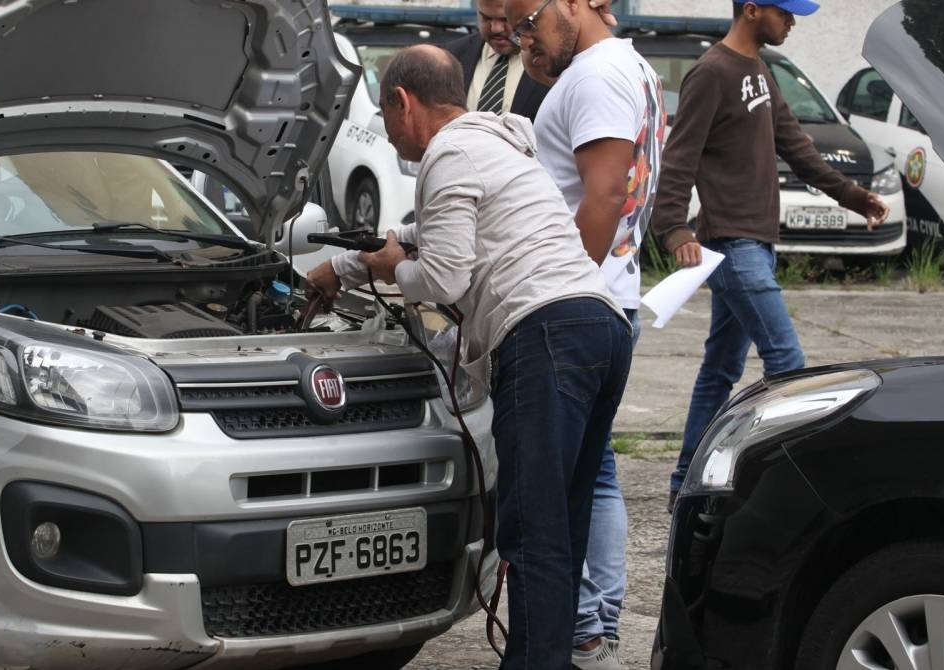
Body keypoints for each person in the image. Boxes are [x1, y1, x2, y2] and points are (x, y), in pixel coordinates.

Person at [304, 45, 633, 670]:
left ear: (404, 102)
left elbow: (444, 276)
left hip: (545, 336)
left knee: (531, 531)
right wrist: (342, 268)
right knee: (563, 523)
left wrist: (398, 269)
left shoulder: (448, 153)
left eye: (385, 112)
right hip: (600, 327)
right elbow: (420, 240)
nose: (388, 128)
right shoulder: (498, 146)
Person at [651, 0, 891, 510]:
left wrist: (852, 196)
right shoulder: (712, 72)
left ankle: (684, 486)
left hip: (755, 242)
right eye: (785, 12)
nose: (793, 22)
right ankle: (785, 481)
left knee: (720, 369)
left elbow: (798, 147)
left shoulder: (758, 70)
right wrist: (674, 229)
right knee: (789, 363)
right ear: (753, 10)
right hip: (733, 245)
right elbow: (679, 157)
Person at [510, 0, 665, 666]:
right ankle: (584, 635)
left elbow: (602, 195)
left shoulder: (598, 74)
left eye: (529, 19)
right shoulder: (628, 68)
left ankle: (573, 638)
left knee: (541, 516)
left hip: (570, 312)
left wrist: (554, 289)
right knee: (579, 491)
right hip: (605, 304)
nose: (523, 38)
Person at [444, 0, 550, 119]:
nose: (496, 29)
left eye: (505, 19)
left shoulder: (555, 61)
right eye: (486, 18)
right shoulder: (450, 57)